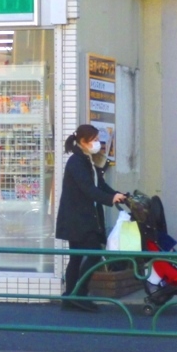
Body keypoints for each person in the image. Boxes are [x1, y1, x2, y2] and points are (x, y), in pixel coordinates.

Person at [55, 123, 126, 312]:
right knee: (93, 255)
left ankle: (71, 296)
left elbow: (100, 185)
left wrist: (118, 194)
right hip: (78, 219)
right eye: (93, 140)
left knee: (76, 258)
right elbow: (88, 189)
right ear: (82, 142)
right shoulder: (76, 162)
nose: (97, 143)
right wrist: (111, 199)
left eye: (97, 139)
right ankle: (79, 294)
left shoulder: (88, 160)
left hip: (84, 217)